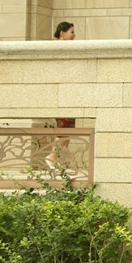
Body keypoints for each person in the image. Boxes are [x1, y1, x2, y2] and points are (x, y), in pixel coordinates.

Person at [48, 21, 76, 171]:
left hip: (69, 95)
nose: (74, 36)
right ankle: (52, 157)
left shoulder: (69, 49)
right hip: (61, 96)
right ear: (62, 33)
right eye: (71, 32)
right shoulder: (57, 49)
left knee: (68, 130)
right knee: (63, 129)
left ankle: (60, 162)